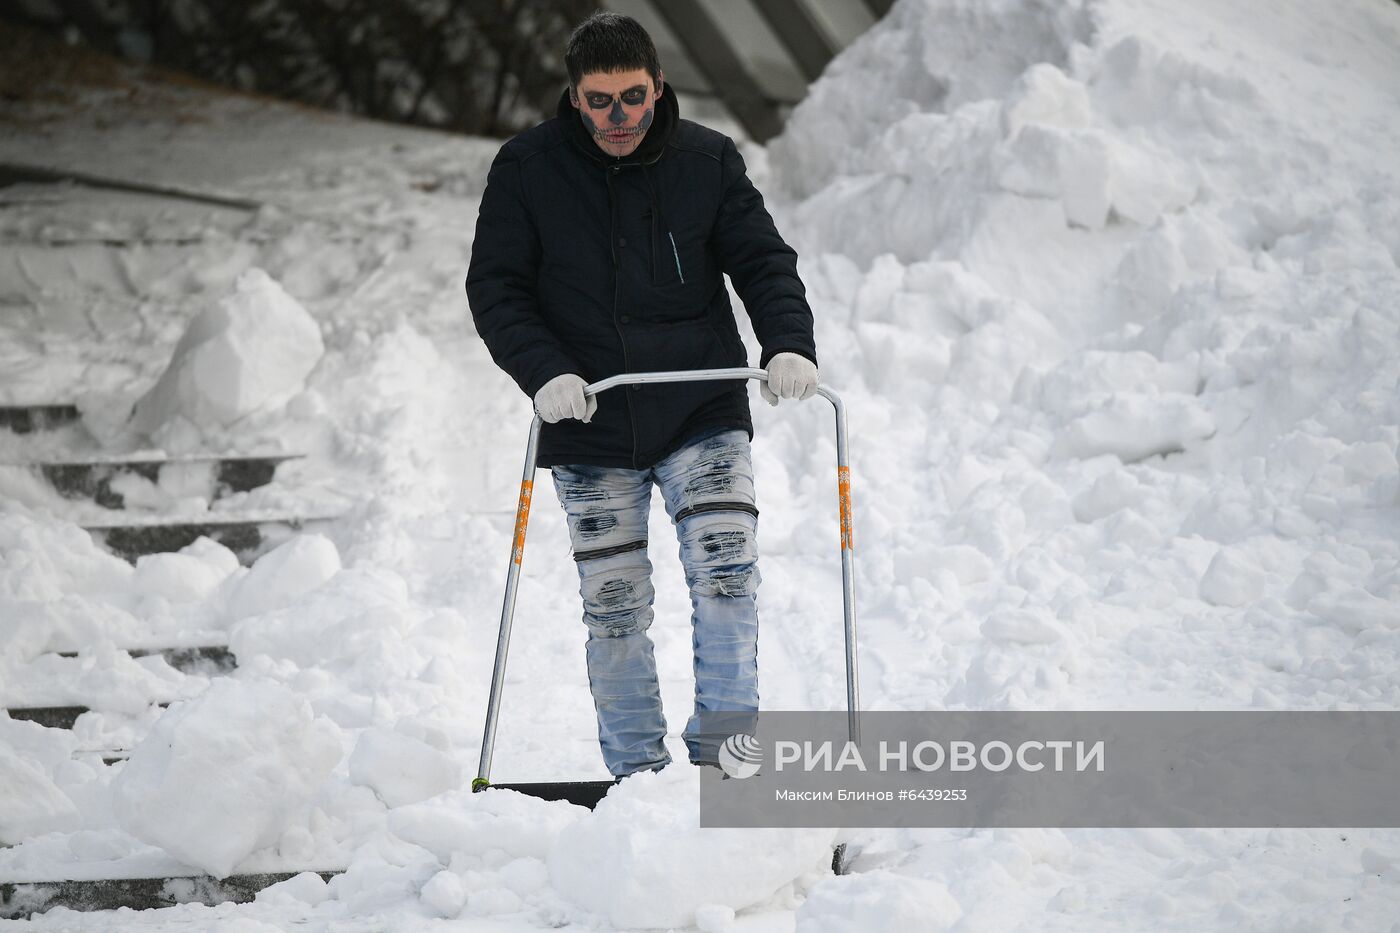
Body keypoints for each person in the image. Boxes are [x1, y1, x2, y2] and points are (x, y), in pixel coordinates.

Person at [465, 11, 817, 777]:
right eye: (599, 101)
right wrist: (545, 370)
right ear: (573, 95)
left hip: (700, 408)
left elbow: (762, 261)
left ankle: (725, 765)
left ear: (659, 87)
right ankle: (637, 782)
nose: (618, 118)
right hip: (590, 419)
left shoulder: (707, 161)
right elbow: (496, 288)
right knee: (616, 609)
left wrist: (787, 341)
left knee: (727, 577)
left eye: (633, 97)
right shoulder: (527, 169)